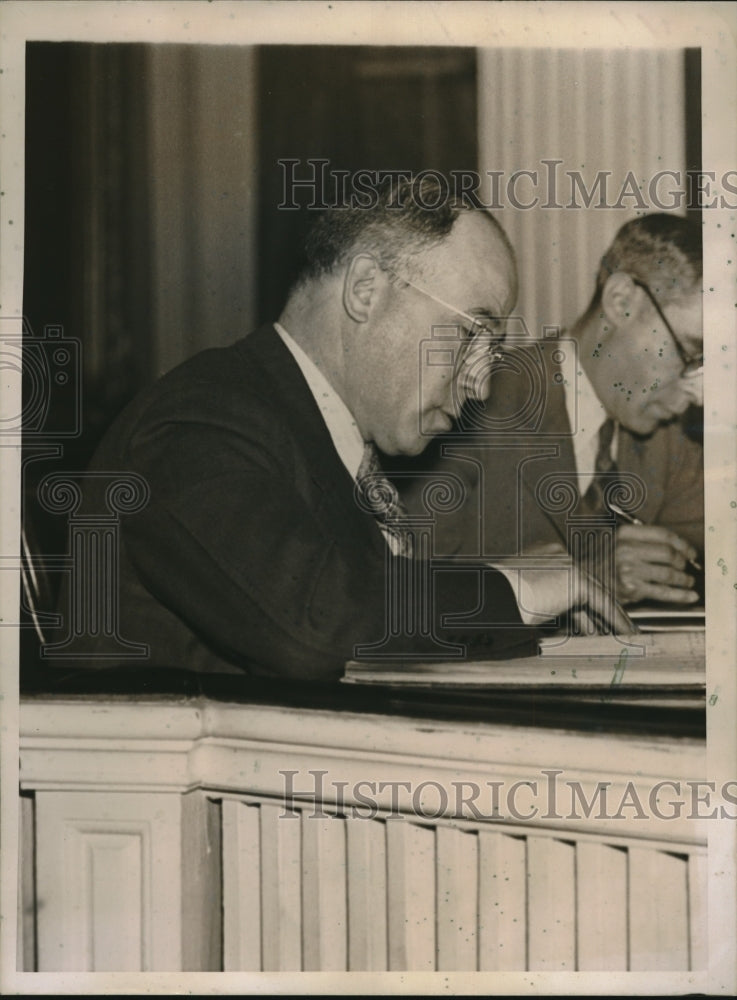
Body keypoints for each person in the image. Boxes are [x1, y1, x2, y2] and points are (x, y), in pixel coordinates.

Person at [49, 177, 629, 682]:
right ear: (365, 290)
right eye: (471, 334)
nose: (480, 386)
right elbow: (313, 626)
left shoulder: (313, 431)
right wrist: (513, 588)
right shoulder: (200, 418)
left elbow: (363, 610)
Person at [400, 213, 704, 609]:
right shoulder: (467, 407)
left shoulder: (668, 436)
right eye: (688, 351)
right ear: (622, 301)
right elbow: (401, 589)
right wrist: (581, 578)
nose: (698, 395)